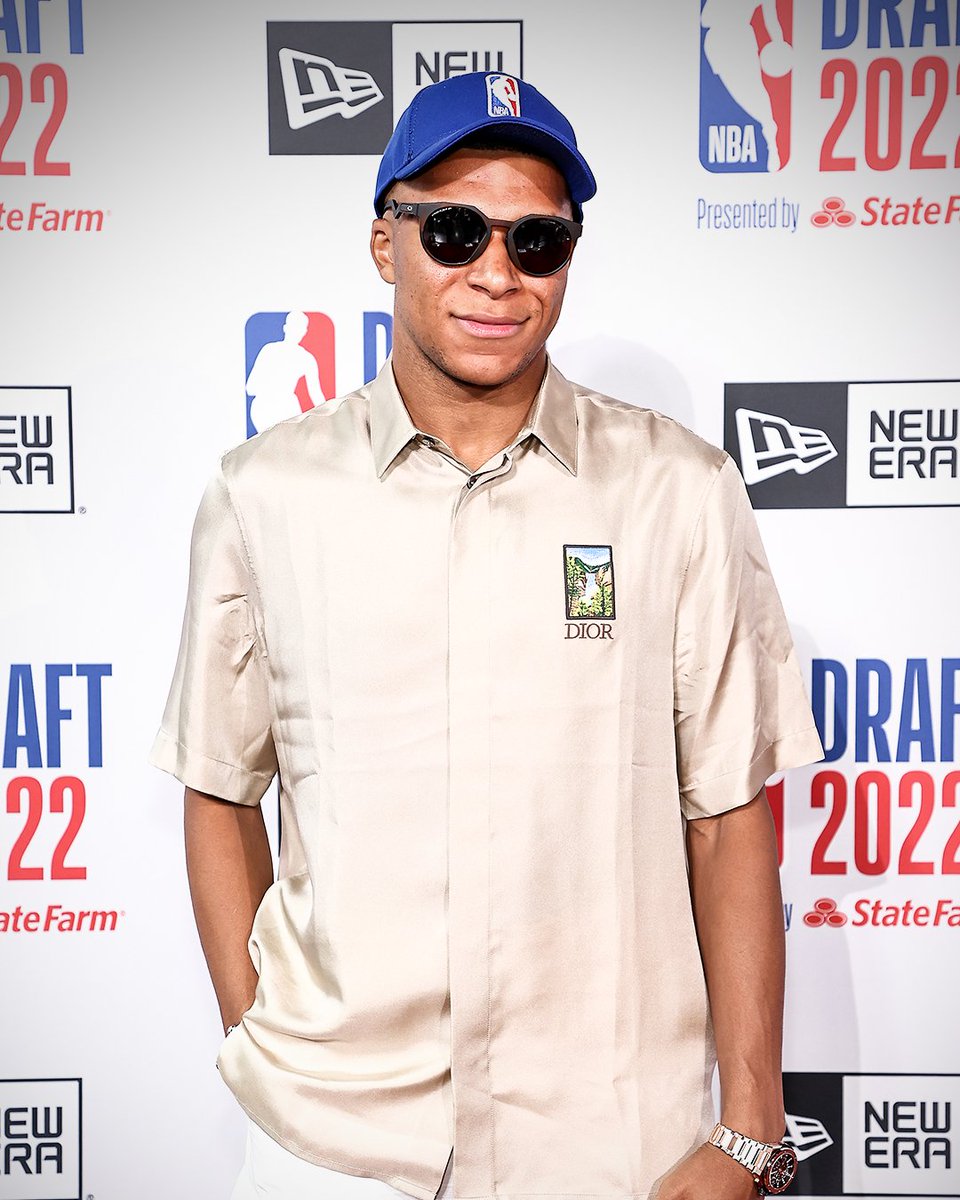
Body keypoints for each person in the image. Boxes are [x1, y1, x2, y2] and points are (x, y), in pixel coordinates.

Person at [150, 70, 824, 1200]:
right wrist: (260, 1040)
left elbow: (727, 814)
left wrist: (751, 1128)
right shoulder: (263, 495)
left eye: (537, 241)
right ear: (385, 242)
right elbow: (219, 789)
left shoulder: (679, 490)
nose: (497, 273)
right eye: (455, 231)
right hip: (337, 1143)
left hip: (617, 1141)